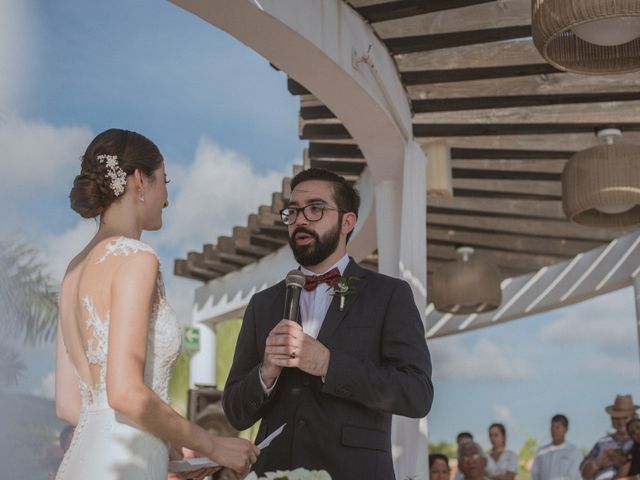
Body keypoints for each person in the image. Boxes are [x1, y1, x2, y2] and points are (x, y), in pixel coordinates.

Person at [54, 129, 259, 480]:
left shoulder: (73, 271)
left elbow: (69, 404)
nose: (167, 197)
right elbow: (124, 391)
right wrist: (213, 444)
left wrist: (163, 438)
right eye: (165, 181)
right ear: (139, 181)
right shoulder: (137, 258)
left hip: (83, 462)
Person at [222, 168, 434, 479]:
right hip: (275, 469)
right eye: (292, 212)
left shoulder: (388, 295)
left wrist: (328, 364)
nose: (301, 220)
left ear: (348, 222)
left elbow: (417, 394)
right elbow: (235, 413)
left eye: (315, 209)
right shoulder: (262, 304)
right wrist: (265, 373)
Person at [581, 394, 638, 480]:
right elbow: (584, 473)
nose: (620, 422)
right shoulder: (602, 443)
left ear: (633, 418)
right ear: (612, 419)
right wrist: (600, 460)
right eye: (617, 418)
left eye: (625, 418)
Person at [530, 414, 581, 480]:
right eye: (552, 427)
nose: (554, 430)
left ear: (566, 429)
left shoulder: (574, 452)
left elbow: (574, 476)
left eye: (557, 427)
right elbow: (535, 475)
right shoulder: (541, 452)